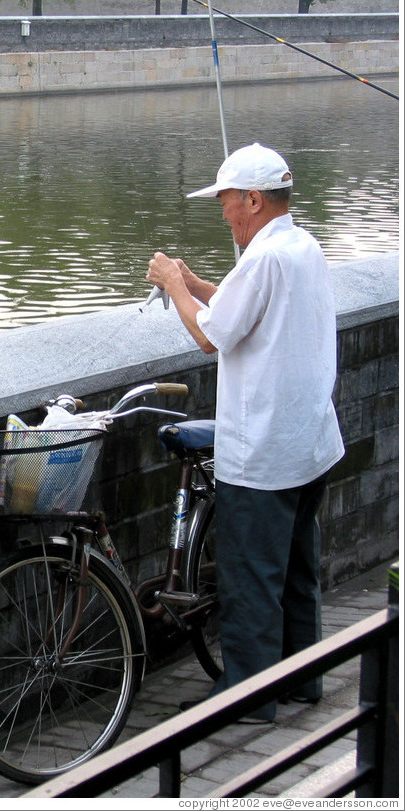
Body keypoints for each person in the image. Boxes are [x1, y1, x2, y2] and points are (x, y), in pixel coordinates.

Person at [146, 142, 345, 723]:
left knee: (252, 577)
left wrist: (170, 282)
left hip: (265, 452)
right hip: (308, 442)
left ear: (254, 199)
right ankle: (300, 680)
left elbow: (212, 337)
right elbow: (237, 308)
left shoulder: (263, 259)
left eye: (229, 201)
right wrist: (196, 282)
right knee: (295, 571)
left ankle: (248, 697)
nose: (225, 212)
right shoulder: (300, 246)